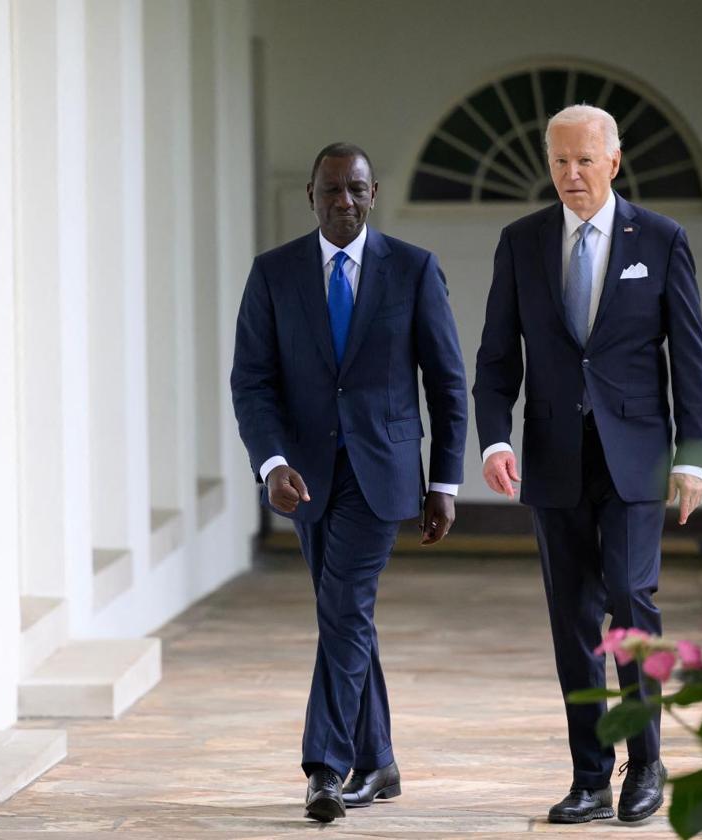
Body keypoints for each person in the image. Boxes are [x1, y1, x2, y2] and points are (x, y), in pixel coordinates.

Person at [473, 104, 702, 824]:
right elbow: (494, 358)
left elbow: (691, 357)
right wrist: (494, 440)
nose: (570, 175)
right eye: (559, 162)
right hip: (552, 458)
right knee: (571, 618)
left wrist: (694, 458)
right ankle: (588, 776)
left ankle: (647, 763)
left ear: (614, 161)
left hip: (637, 457)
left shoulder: (663, 239)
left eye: (583, 160)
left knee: (631, 602)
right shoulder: (521, 242)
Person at [231, 142, 468, 822]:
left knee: (344, 610)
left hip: (380, 474)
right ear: (310, 195)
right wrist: (272, 463)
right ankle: (381, 762)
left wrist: (444, 481)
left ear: (373, 195)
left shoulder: (414, 270)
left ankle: (325, 768)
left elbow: (447, 384)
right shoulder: (273, 274)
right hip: (303, 479)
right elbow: (251, 380)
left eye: (356, 190)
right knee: (347, 618)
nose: (344, 202)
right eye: (331, 190)